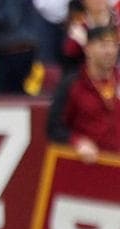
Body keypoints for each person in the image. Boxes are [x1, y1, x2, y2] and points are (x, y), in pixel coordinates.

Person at [48, 23, 120, 163]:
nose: (110, 51)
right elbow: (54, 128)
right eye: (103, 46)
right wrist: (77, 142)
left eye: (113, 45)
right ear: (88, 49)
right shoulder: (72, 84)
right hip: (86, 166)